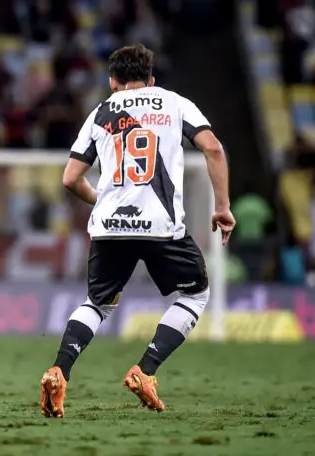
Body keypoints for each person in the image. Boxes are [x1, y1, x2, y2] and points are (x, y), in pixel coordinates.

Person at [39, 44, 235, 417]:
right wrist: (222, 207)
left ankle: (58, 370)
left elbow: (69, 179)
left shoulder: (101, 111)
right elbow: (212, 149)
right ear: (152, 79)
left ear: (112, 81)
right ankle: (145, 370)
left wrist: (103, 201)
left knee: (96, 304)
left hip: (110, 225)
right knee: (195, 295)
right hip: (161, 227)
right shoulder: (175, 103)